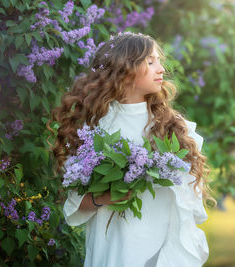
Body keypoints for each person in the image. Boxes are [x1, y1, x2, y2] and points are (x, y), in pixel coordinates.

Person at [50, 32, 212, 267]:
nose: (161, 69)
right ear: (125, 71)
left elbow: (187, 196)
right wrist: (107, 196)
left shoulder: (171, 127)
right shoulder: (96, 128)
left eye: (159, 61)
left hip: (160, 244)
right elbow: (75, 201)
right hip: (114, 243)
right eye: (150, 62)